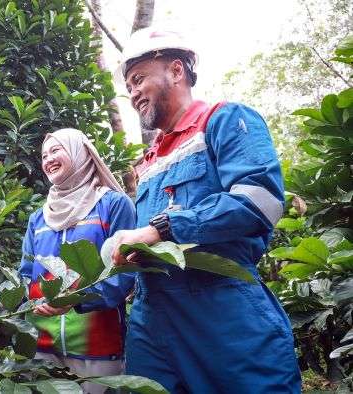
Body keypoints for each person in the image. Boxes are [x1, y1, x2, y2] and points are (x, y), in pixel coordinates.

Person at [80, 28, 301, 392]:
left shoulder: (225, 120)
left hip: (224, 312)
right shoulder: (147, 163)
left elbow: (260, 200)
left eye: (138, 79)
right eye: (128, 85)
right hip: (153, 320)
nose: (132, 93)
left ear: (177, 71)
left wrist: (162, 228)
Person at [0, 128, 136, 394]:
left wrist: (74, 299)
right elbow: (27, 278)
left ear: (80, 153)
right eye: (44, 155)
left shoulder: (113, 204)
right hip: (41, 347)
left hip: (97, 348)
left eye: (56, 150)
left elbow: (124, 274)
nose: (48, 159)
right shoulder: (39, 218)